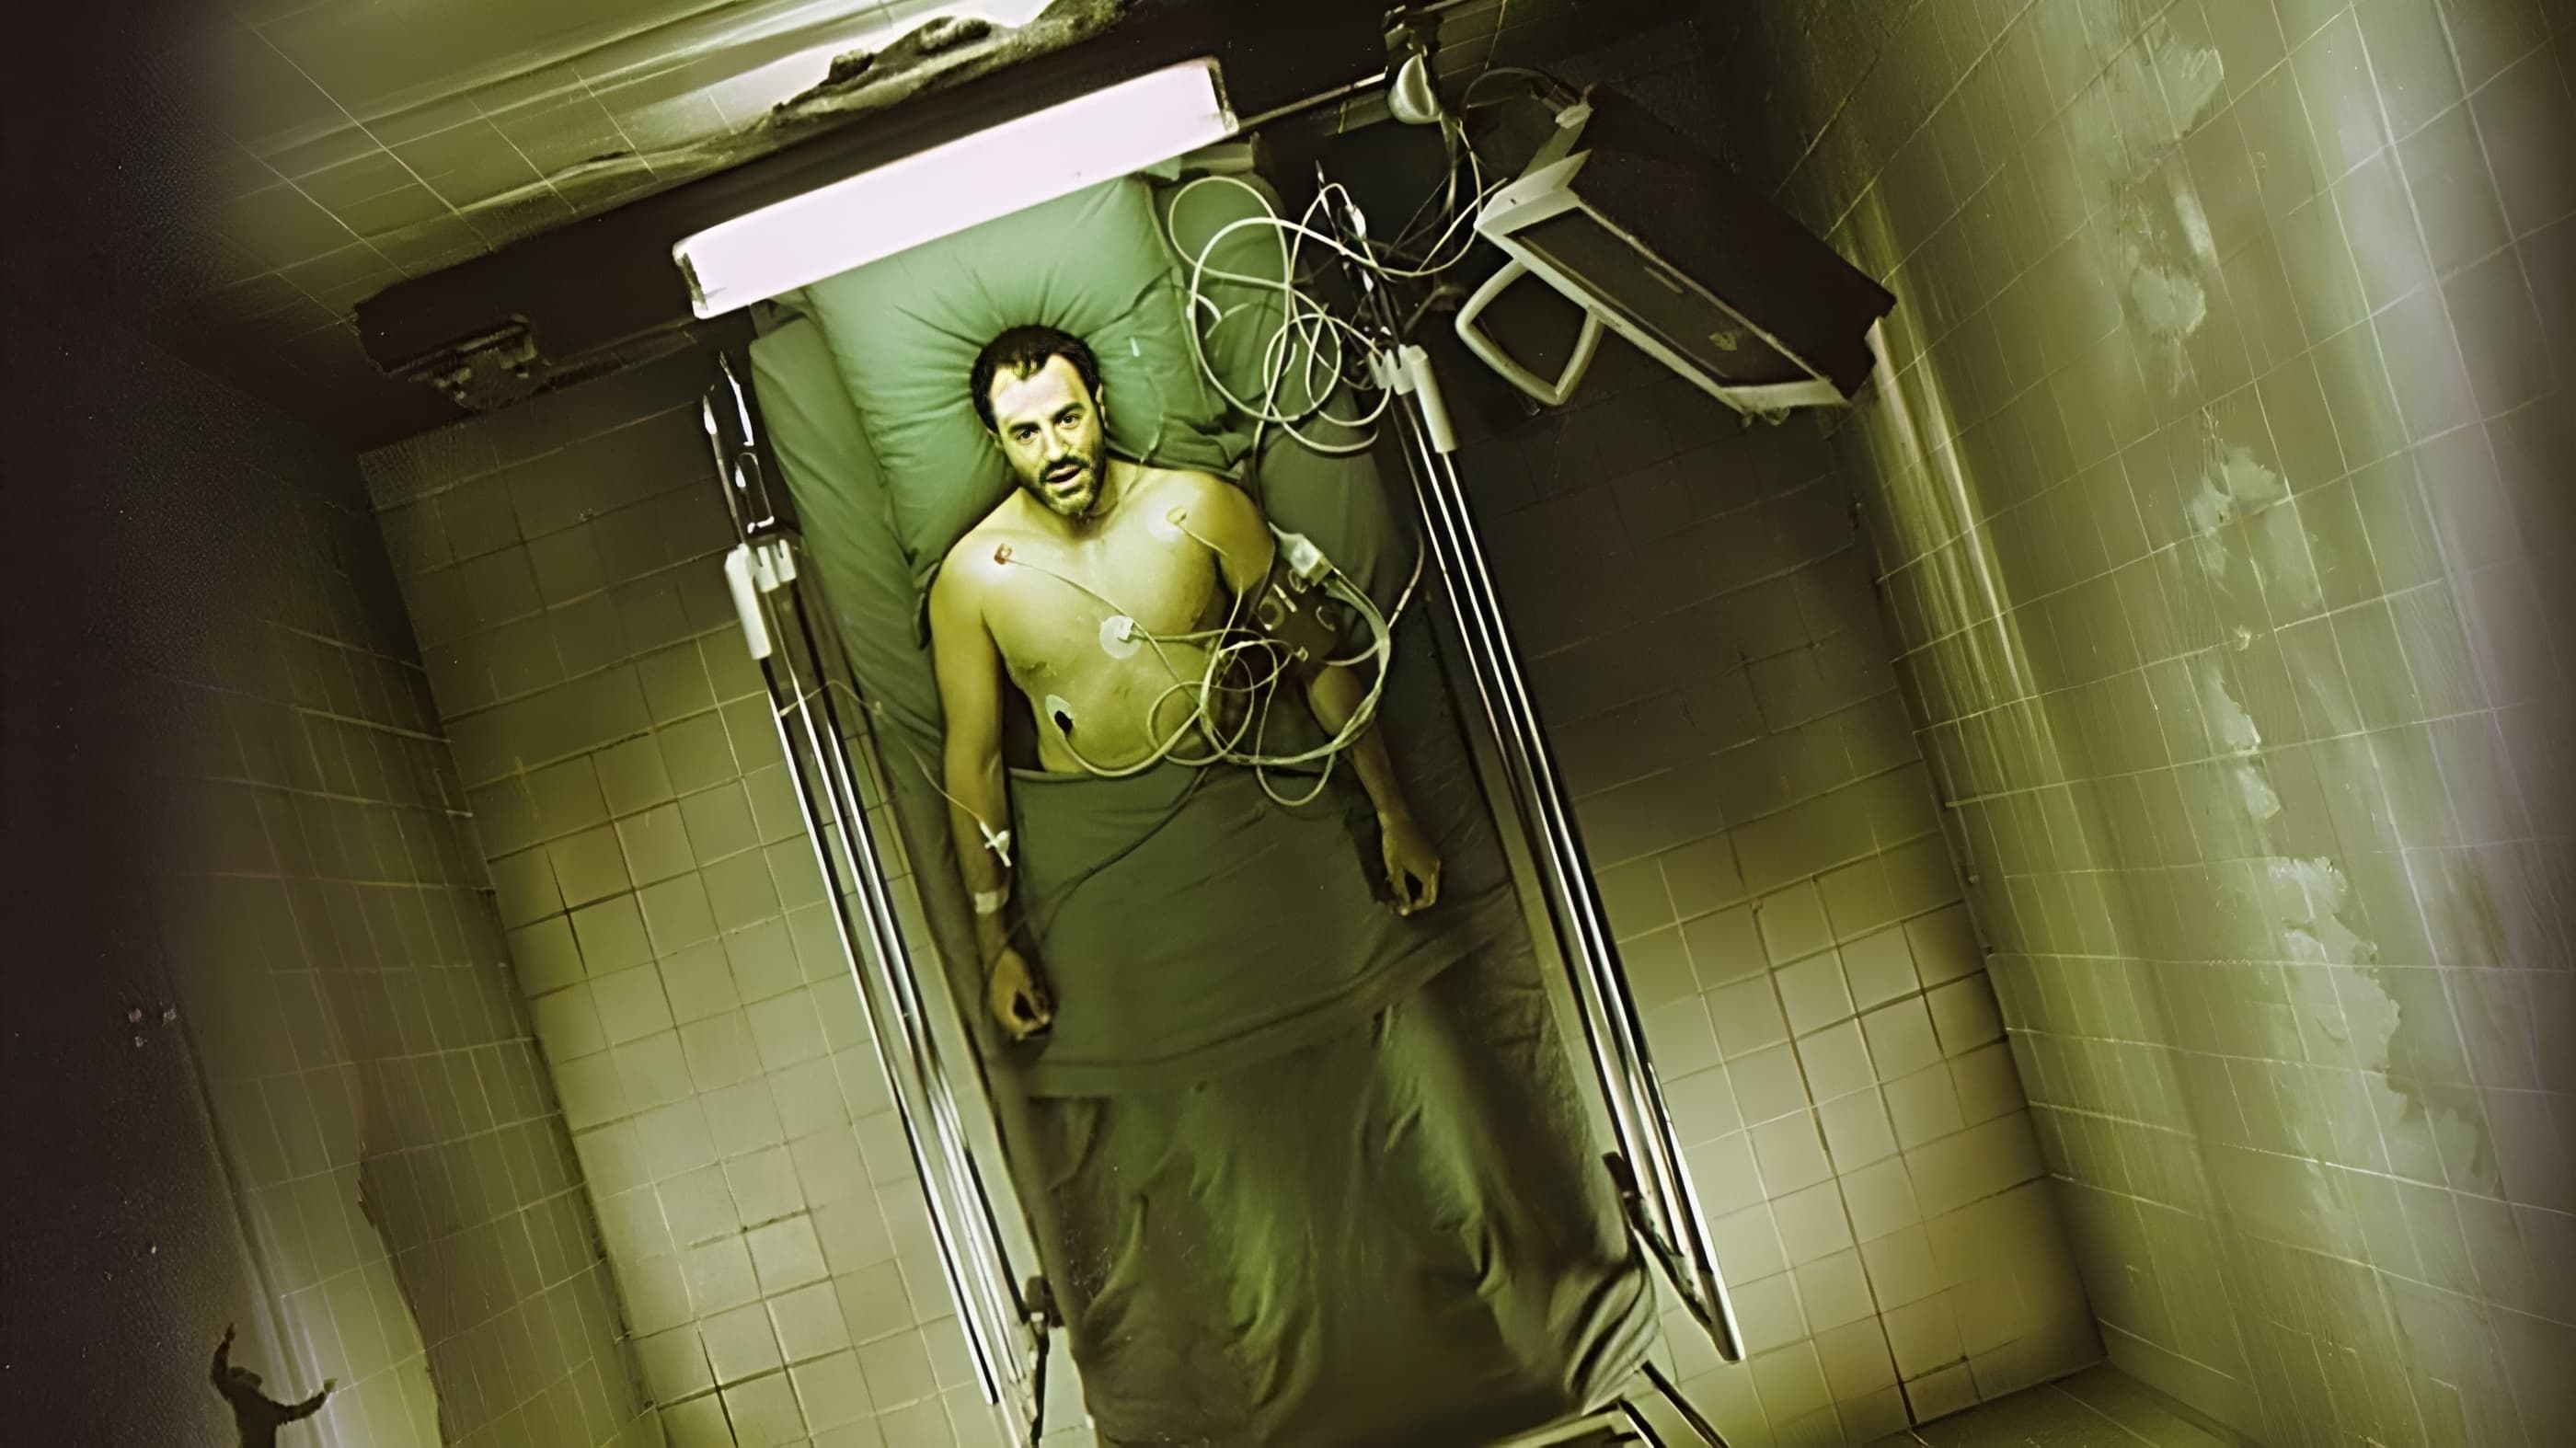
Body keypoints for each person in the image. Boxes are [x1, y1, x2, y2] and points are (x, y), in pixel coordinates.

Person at [929, 324, 1443, 1040]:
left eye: (1067, 418)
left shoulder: (1202, 508)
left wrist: (1394, 815)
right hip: (1109, 859)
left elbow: (1316, 658)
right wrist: (994, 948)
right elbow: (975, 764)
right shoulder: (972, 578)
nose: (1054, 451)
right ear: (997, 440)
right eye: (1025, 433)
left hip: (1241, 812)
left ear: (1100, 404)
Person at [210, 1324, 333, 1445]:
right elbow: (298, 1412)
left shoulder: (261, 1406)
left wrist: (226, 1343)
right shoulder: (247, 1396)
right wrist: (323, 1396)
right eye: (245, 1372)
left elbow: (220, 1376)